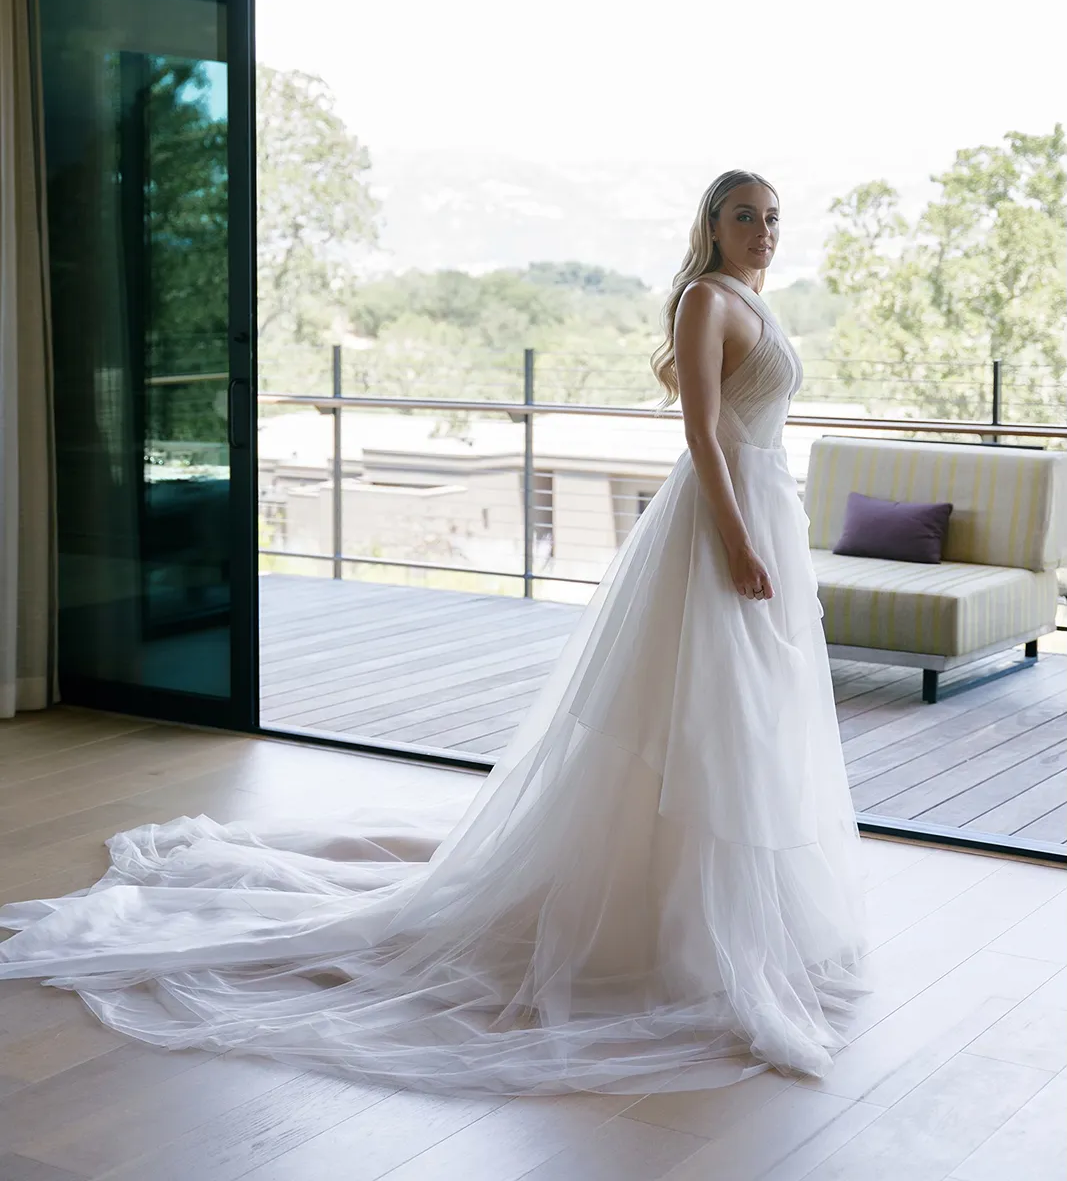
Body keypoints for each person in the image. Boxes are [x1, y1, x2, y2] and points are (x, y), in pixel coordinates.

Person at [0, 170, 869, 1095]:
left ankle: (709, 917)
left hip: (762, 504)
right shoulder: (706, 298)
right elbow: (701, 429)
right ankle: (671, 928)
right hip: (718, 521)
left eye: (773, 219)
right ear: (712, 224)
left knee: (740, 722)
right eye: (746, 217)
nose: (763, 231)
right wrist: (736, 540)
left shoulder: (750, 301)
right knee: (699, 716)